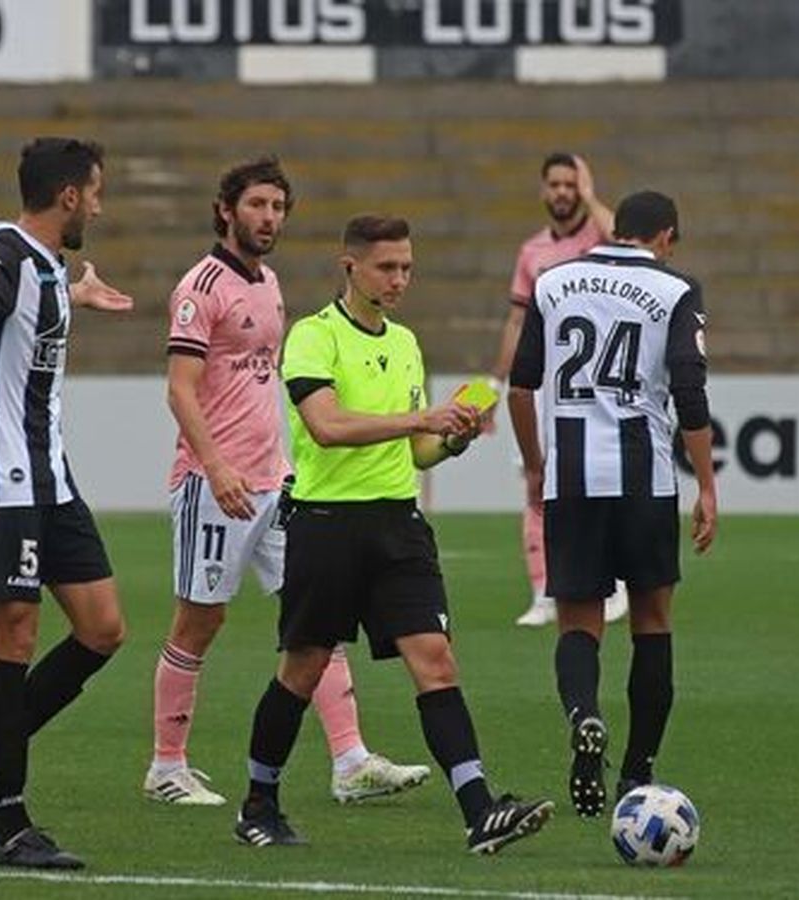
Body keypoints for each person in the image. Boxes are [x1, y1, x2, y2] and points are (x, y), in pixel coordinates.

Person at [233, 214, 555, 854]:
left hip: (398, 526)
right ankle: (258, 803)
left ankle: (478, 811)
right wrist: (422, 416)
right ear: (349, 266)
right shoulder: (312, 337)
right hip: (327, 525)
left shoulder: (406, 342)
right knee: (302, 669)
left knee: (435, 660)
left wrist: (452, 439)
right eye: (387, 267)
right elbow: (326, 426)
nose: (400, 278)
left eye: (407, 267)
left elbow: (417, 452)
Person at [148, 157, 429, 806]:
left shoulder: (269, 283)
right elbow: (180, 390)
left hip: (278, 485)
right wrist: (216, 466)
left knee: (317, 622)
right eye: (257, 206)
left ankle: (350, 761)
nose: (269, 218)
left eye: (278, 207)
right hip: (213, 483)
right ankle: (166, 766)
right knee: (200, 622)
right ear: (226, 210)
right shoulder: (202, 285)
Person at [0, 137, 136, 870]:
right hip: (0, 474)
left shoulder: (45, 266)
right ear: (71, 196)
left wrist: (74, 295)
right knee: (15, 636)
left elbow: (26, 307)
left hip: (49, 471)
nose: (101, 205)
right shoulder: (4, 252)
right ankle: (9, 822)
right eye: (98, 191)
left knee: (103, 628)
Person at [506, 189, 718, 819]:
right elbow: (690, 389)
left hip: (571, 479)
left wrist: (536, 464)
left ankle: (585, 716)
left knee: (579, 624)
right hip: (644, 479)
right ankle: (636, 773)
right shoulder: (677, 290)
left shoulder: (553, 282)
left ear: (615, 230)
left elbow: (520, 385)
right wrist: (706, 484)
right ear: (667, 237)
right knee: (652, 624)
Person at [491, 153, 625, 628]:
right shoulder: (532, 252)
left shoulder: (601, 239)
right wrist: (496, 383)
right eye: (556, 184)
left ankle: (613, 585)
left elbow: (627, 242)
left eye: (572, 184)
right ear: (543, 190)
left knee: (596, 482)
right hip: (546, 383)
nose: (564, 192)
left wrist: (594, 198)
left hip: (595, 384)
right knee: (535, 484)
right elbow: (515, 319)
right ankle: (544, 592)